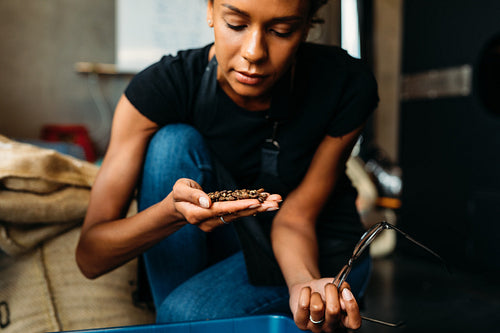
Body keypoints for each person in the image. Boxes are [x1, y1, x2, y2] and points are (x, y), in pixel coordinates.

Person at [76, 0, 379, 332]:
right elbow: (91, 256)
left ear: (307, 26)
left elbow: (296, 217)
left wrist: (303, 286)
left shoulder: (345, 83)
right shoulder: (162, 88)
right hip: (230, 244)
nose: (253, 53)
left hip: (318, 251)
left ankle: (178, 322)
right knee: (172, 142)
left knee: (183, 316)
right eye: (236, 25)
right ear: (210, 10)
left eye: (281, 31)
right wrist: (171, 213)